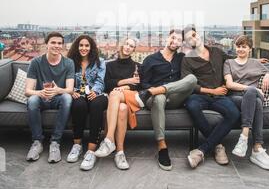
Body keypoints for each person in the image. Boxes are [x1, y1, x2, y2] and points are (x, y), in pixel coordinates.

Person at [181, 26, 240, 169]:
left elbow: (235, 61)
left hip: (220, 97)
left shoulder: (217, 52)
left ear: (199, 34)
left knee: (234, 114)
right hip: (200, 96)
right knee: (191, 105)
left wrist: (257, 63)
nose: (193, 38)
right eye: (189, 38)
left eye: (194, 35)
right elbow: (187, 83)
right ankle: (218, 146)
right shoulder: (187, 60)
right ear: (187, 43)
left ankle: (202, 150)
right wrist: (212, 91)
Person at [139, 29, 197, 171]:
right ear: (167, 38)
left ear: (181, 43)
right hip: (153, 98)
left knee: (192, 79)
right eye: (173, 37)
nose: (174, 41)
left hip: (174, 98)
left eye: (178, 39)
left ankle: (161, 90)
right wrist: (156, 91)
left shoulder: (182, 58)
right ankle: (162, 146)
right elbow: (144, 85)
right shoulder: (150, 60)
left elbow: (201, 57)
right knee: (159, 97)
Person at [223, 35, 269, 170]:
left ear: (250, 49)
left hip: (252, 98)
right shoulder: (229, 63)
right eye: (238, 46)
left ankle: (244, 138)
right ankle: (257, 148)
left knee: (254, 98)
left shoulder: (255, 63)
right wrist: (251, 88)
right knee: (254, 95)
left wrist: (268, 74)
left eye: (244, 47)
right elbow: (229, 84)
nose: (240, 49)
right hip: (235, 97)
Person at [25, 32, 74, 163]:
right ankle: (37, 142)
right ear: (47, 44)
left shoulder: (69, 63)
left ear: (62, 46)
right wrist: (39, 92)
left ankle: (55, 142)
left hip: (58, 98)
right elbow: (28, 91)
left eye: (59, 43)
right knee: (32, 100)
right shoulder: (36, 62)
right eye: (53, 42)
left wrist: (58, 90)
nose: (56, 46)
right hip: (41, 97)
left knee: (67, 98)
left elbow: (69, 89)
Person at [94, 38, 141, 170]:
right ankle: (120, 152)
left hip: (129, 97)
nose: (128, 47)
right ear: (122, 45)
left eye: (131, 46)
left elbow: (138, 86)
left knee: (115, 94)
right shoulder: (109, 65)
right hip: (117, 101)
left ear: (133, 50)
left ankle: (108, 139)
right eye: (126, 44)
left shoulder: (137, 66)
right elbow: (107, 85)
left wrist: (123, 88)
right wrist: (127, 81)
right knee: (122, 108)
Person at [66, 35, 107, 171]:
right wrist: (72, 91)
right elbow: (68, 81)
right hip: (78, 92)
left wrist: (95, 91)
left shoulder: (100, 62)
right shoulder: (70, 62)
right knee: (78, 104)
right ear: (77, 47)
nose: (84, 48)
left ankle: (91, 151)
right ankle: (77, 145)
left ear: (91, 47)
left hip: (97, 93)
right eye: (81, 45)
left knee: (96, 105)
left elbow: (100, 81)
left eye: (87, 45)